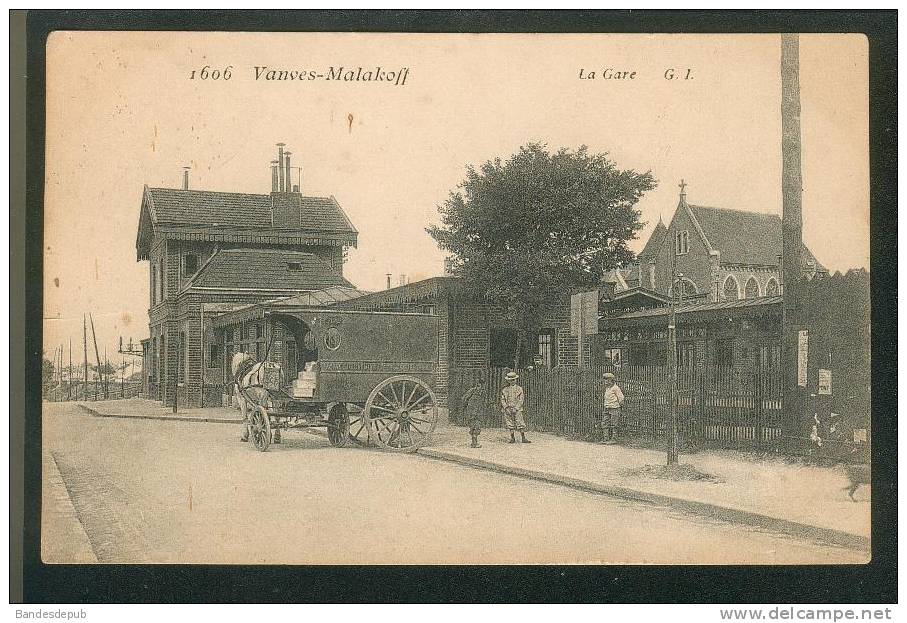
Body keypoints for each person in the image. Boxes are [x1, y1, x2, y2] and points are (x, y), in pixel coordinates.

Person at [500, 371, 530, 444]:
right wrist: (506, 407)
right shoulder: (505, 390)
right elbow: (502, 399)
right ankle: (512, 438)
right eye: (510, 380)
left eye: (514, 380)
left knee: (520, 422)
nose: (512, 381)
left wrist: (516, 408)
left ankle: (523, 438)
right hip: (508, 409)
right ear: (508, 381)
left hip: (517, 408)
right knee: (509, 422)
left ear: (516, 380)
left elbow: (521, 399)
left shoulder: (519, 389)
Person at [461, 377, 487, 448]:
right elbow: (464, 398)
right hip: (472, 411)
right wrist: (467, 406)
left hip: (478, 412)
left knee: (477, 427)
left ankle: (474, 442)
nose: (480, 387)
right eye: (479, 385)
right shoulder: (472, 391)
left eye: (482, 385)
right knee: (473, 426)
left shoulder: (483, 393)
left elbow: (484, 402)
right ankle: (474, 443)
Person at [601, 372, 625, 444]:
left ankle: (614, 439)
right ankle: (606, 438)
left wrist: (620, 407)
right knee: (605, 423)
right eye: (605, 380)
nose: (605, 382)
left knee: (614, 424)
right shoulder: (607, 388)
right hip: (607, 408)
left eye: (607, 380)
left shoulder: (616, 388)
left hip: (614, 408)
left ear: (611, 381)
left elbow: (621, 398)